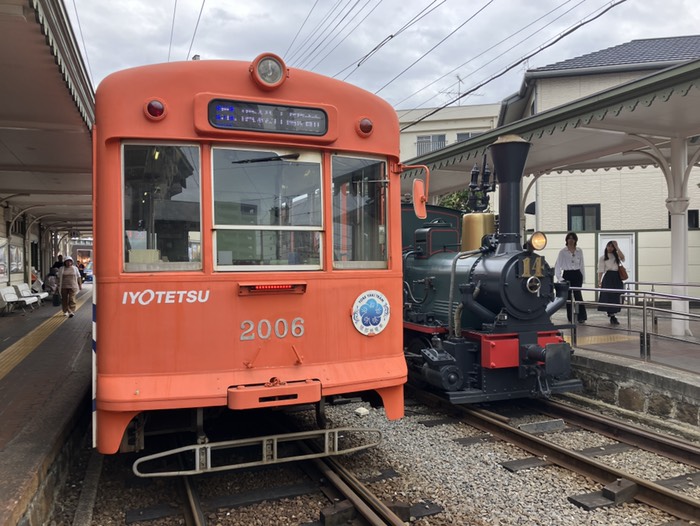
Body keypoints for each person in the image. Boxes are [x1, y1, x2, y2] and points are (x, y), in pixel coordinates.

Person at [554, 232, 587, 324]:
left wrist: (583, 277)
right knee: (568, 297)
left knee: (578, 295)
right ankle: (570, 317)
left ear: (575, 240)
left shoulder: (579, 251)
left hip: (577, 274)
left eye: (573, 238)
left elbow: (582, 265)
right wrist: (560, 278)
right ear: (566, 240)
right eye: (569, 238)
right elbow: (558, 265)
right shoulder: (562, 252)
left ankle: (582, 316)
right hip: (567, 274)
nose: (571, 240)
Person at [597, 240, 625, 325]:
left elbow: (623, 258)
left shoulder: (616, 256)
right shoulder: (603, 257)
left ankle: (613, 313)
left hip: (617, 276)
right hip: (608, 276)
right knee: (609, 295)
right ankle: (611, 315)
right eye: (608, 246)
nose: (610, 248)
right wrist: (599, 280)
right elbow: (601, 269)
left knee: (616, 295)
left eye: (612, 246)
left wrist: (617, 247)